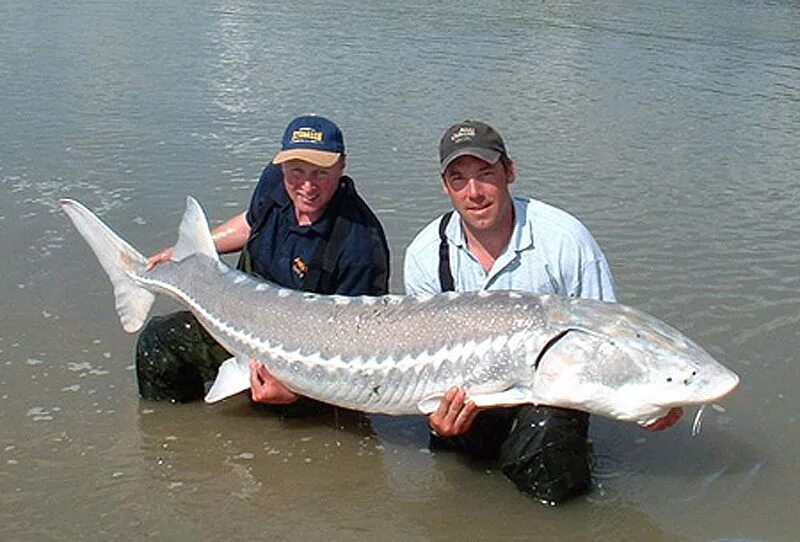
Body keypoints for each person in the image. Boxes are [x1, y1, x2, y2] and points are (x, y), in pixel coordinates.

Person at [403, 120, 682, 503]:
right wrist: (437, 421)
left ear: (510, 172)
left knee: (549, 448)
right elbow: (421, 361)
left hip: (545, 402)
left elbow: (608, 335)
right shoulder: (424, 254)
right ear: (445, 187)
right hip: (469, 399)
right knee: (454, 486)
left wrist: (647, 400)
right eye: (459, 179)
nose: (475, 193)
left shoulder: (565, 239)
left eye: (485, 174)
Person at [136, 115, 390, 415]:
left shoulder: (360, 246)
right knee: (157, 342)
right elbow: (251, 222)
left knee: (310, 422)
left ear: (342, 166)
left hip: (310, 362)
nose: (307, 185)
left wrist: (295, 393)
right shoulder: (275, 182)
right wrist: (190, 251)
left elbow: (364, 355)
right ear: (282, 165)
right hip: (245, 319)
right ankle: (173, 442)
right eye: (297, 171)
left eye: (321, 173)